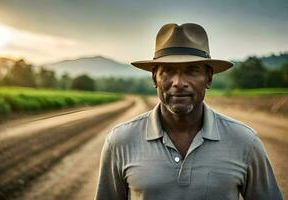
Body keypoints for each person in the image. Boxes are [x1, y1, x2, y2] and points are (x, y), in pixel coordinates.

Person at [94, 23, 283, 200]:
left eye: (191, 70)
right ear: (154, 78)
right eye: (168, 71)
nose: (179, 82)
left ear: (208, 78)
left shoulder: (245, 141)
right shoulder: (120, 141)